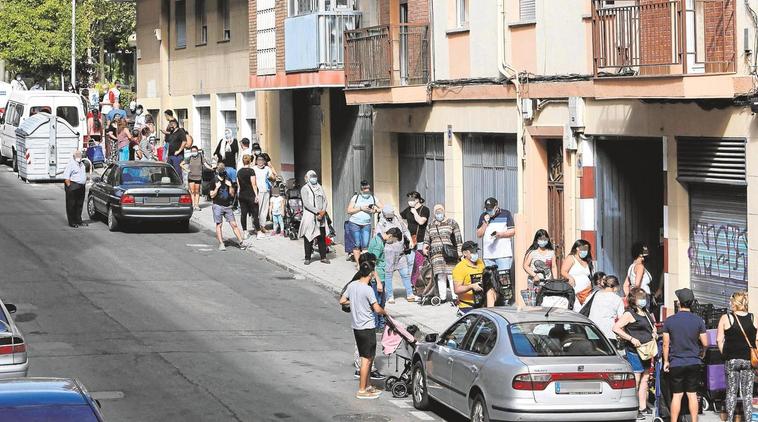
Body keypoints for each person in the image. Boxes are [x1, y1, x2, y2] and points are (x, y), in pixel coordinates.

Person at [339, 259, 387, 400]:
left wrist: (354, 302)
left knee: (368, 357)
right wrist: (385, 313)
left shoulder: (353, 285)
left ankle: (368, 385)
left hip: (357, 327)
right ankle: (362, 389)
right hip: (367, 328)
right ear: (371, 273)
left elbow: (342, 300)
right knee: (366, 359)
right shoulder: (367, 290)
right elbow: (377, 309)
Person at [662, 288, 708, 422]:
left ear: (679, 303)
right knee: (692, 395)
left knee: (677, 395)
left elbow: (666, 344)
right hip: (693, 361)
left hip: (676, 362)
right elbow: (705, 342)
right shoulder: (698, 320)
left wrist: (666, 361)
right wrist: (702, 353)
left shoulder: (670, 321)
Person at [613, 287, 657, 419]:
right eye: (640, 297)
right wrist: (631, 339)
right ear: (633, 299)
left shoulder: (646, 312)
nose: (643, 300)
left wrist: (654, 332)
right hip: (634, 351)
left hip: (647, 351)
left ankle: (642, 406)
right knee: (636, 379)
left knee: (645, 379)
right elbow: (616, 328)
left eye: (644, 297)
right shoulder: (629, 314)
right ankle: (634, 407)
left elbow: (652, 326)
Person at [717, 291, 758, 422]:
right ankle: (749, 419)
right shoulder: (753, 318)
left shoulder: (726, 318)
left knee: (731, 392)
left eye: (731, 301)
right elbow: (756, 340)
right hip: (748, 360)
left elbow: (719, 339)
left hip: (732, 360)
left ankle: (729, 419)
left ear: (735, 303)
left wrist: (725, 353)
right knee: (747, 394)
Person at [375, 205, 415, 303]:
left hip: (401, 252)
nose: (390, 217)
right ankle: (390, 296)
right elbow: (378, 236)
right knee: (388, 274)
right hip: (389, 252)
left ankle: (410, 294)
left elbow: (405, 230)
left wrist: (410, 240)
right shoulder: (381, 223)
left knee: (405, 273)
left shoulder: (398, 220)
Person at [423, 204, 463, 303]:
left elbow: (458, 238)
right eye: (437, 212)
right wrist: (425, 247)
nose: (439, 214)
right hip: (436, 255)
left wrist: (459, 250)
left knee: (451, 275)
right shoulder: (430, 225)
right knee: (440, 275)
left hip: (449, 254)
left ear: (444, 212)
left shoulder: (452, 222)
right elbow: (426, 240)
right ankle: (443, 297)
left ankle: (455, 297)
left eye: (440, 211)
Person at [210, 164, 246, 251]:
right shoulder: (214, 180)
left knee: (234, 224)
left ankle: (241, 242)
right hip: (217, 205)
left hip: (227, 205)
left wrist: (230, 186)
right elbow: (211, 195)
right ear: (218, 171)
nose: (223, 175)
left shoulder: (228, 179)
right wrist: (217, 188)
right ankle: (221, 243)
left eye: (224, 172)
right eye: (222, 172)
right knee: (219, 224)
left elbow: (232, 194)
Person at [346, 181, 382, 264]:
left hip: (366, 224)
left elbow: (382, 208)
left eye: (367, 189)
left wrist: (374, 210)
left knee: (365, 244)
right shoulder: (356, 197)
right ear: (361, 189)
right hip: (354, 223)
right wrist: (361, 208)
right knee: (357, 244)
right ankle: (359, 265)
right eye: (364, 189)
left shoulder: (373, 198)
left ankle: (365, 263)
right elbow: (349, 210)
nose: (366, 191)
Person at [475, 197, 516, 271]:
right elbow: (479, 234)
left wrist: (500, 235)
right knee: (491, 280)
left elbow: (512, 231)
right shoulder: (483, 216)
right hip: (488, 256)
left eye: (490, 209)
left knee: (503, 280)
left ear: (496, 207)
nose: (488, 211)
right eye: (487, 209)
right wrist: (485, 223)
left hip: (503, 255)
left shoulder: (506, 214)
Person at [298, 170, 329, 265]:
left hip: (321, 216)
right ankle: (307, 257)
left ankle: (323, 257)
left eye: (315, 176)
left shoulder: (320, 187)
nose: (314, 178)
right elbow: (306, 204)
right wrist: (317, 211)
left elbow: (325, 200)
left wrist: (323, 211)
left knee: (321, 237)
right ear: (307, 177)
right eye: (311, 176)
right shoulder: (305, 188)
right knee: (308, 237)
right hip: (310, 216)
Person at [400, 191, 429, 285]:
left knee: (419, 263)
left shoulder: (424, 209)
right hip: (410, 240)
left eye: (412, 199)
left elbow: (421, 222)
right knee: (410, 262)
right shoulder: (408, 209)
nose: (410, 201)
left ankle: (419, 283)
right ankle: (410, 284)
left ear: (417, 200)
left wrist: (415, 213)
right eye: (409, 199)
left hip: (420, 240)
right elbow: (400, 217)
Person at [522, 229, 557, 305]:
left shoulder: (551, 252)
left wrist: (555, 280)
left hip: (547, 283)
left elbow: (554, 266)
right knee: (534, 305)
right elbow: (525, 265)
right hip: (535, 282)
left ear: (548, 239)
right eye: (541, 239)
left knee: (546, 304)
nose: (543, 241)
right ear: (537, 240)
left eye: (545, 239)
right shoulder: (532, 252)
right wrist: (534, 275)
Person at [453, 241, 488, 314]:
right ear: (465, 253)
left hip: (482, 302)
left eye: (476, 251)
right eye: (472, 252)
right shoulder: (460, 267)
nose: (475, 254)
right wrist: (471, 286)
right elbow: (457, 290)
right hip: (467, 305)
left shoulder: (480, 262)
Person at [586, 275, 624, 341]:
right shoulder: (617, 299)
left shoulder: (594, 294)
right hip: (608, 332)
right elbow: (621, 319)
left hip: (592, 330)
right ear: (615, 287)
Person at [561, 239, 594, 311]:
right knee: (578, 311)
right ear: (577, 248)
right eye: (583, 249)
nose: (585, 251)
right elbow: (563, 271)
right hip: (575, 292)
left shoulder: (586, 260)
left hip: (587, 292)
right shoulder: (571, 258)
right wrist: (570, 277)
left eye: (587, 249)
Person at [181, 146, 213, 211]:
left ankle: (197, 205)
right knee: (192, 192)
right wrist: (187, 170)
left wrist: (211, 168)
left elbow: (206, 164)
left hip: (198, 177)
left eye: (195, 151)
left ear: (197, 151)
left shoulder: (201, 157)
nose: (194, 152)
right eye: (192, 151)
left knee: (197, 192)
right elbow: (181, 164)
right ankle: (193, 205)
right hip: (191, 176)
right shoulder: (189, 158)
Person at [63, 150, 87, 228]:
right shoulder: (71, 164)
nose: (79, 157)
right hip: (73, 186)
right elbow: (66, 177)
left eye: (80, 155)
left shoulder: (82, 164)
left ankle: (78, 220)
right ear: (74, 157)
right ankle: (72, 222)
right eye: (77, 156)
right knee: (71, 205)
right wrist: (70, 187)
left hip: (81, 186)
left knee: (79, 204)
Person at [236, 154, 258, 236]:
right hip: (250, 194)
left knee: (243, 213)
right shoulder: (251, 171)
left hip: (242, 194)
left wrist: (239, 194)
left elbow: (238, 185)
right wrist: (256, 195)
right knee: (255, 213)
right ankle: (258, 231)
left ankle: (245, 232)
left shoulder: (239, 171)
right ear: (250, 161)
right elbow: (254, 184)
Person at [252, 154, 273, 238]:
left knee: (264, 209)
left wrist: (272, 177)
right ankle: (256, 227)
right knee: (257, 210)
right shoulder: (253, 169)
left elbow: (272, 177)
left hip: (266, 191)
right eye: (258, 160)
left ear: (264, 161)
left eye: (262, 160)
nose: (260, 161)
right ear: (256, 161)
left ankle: (262, 226)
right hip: (258, 192)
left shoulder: (267, 169)